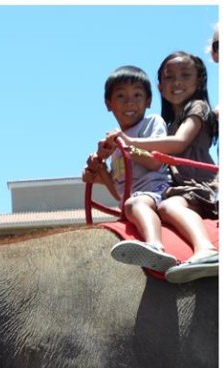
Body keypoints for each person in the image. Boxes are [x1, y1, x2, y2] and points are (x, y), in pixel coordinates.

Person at [107, 51, 218, 283]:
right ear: (159, 87)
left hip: (198, 185)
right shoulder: (168, 123)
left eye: (185, 75)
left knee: (168, 207)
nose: (176, 82)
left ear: (199, 82)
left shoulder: (197, 109)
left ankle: (206, 249)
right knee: (159, 204)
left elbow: (179, 144)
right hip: (177, 187)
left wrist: (131, 143)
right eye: (169, 77)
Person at [82, 65, 174, 272]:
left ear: (149, 100)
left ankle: (156, 246)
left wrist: (125, 145)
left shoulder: (151, 123)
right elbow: (118, 191)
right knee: (129, 204)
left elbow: (155, 162)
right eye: (121, 96)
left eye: (138, 95)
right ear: (109, 104)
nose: (130, 101)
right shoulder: (116, 144)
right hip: (131, 199)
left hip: (156, 192)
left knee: (134, 204)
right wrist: (99, 167)